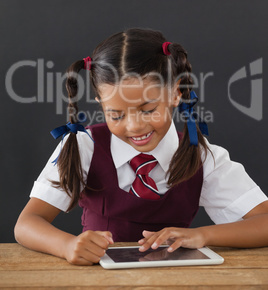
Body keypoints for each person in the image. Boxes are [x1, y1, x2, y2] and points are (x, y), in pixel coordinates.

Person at [14, 28, 268, 266]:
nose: (134, 126)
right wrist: (67, 245)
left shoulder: (201, 156)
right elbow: (27, 224)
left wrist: (202, 235)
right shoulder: (83, 145)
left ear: (176, 94)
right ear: (101, 104)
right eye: (116, 115)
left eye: (148, 110)